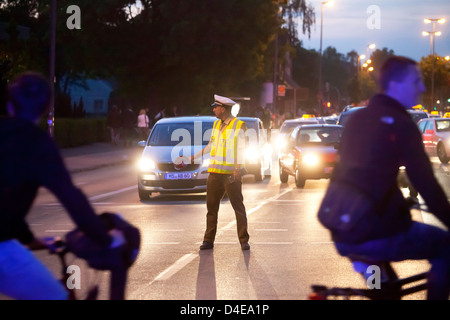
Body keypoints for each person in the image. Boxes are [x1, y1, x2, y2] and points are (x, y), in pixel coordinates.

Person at [325, 56, 450, 299]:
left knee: (387, 291)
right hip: (375, 233)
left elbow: (364, 174)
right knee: (446, 246)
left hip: (343, 232)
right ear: (396, 85)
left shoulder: (357, 120)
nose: (422, 88)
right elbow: (427, 184)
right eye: (416, 82)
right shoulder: (402, 124)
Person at [0, 72, 124, 300]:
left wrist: (33, 241)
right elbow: (73, 200)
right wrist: (106, 239)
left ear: (9, 104)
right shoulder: (37, 144)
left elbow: (6, 208)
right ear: (45, 108)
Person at [190, 94, 250, 250]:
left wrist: (237, 168)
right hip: (215, 173)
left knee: (238, 207)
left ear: (223, 109)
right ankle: (208, 241)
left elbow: (242, 149)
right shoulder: (217, 125)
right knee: (211, 208)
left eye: (215, 107)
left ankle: (244, 240)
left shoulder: (239, 125)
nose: (214, 110)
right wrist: (195, 156)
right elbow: (211, 145)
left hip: (231, 174)